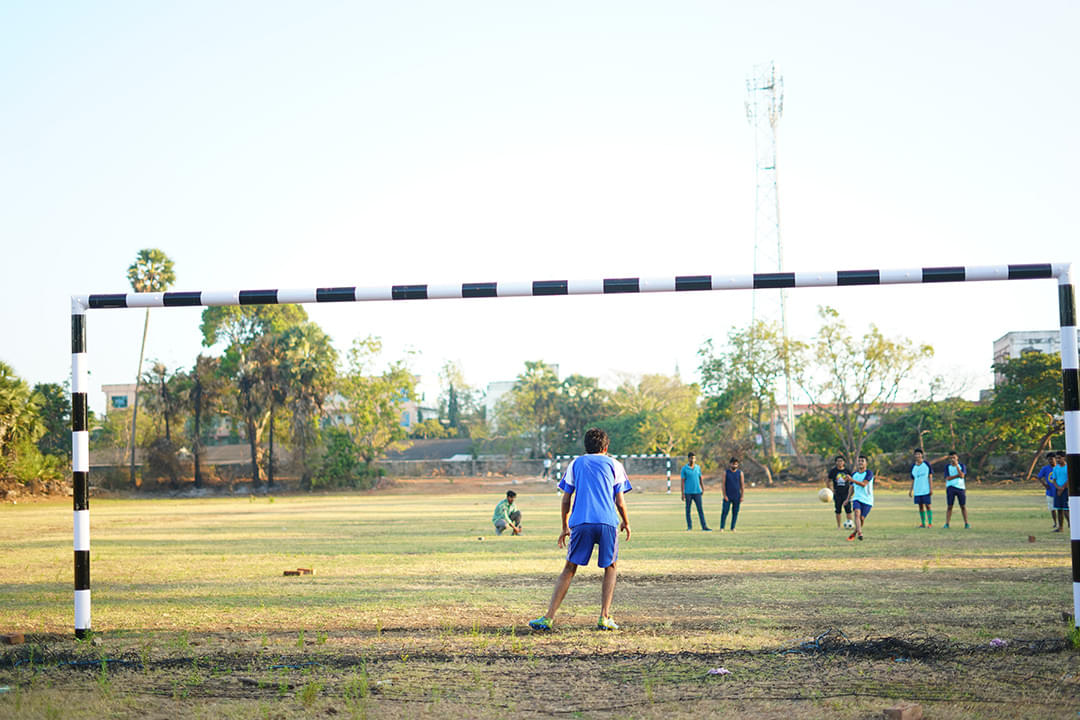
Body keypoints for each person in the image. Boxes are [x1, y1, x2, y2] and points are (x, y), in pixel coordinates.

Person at [529, 428, 632, 632]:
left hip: (581, 521)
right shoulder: (615, 464)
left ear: (585, 447)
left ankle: (548, 617)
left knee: (569, 568)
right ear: (606, 447)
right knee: (610, 566)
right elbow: (619, 501)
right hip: (607, 522)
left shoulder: (575, 464)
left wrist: (564, 527)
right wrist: (626, 522)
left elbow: (566, 499)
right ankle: (604, 617)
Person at [681, 451, 711, 531]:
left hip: (697, 492)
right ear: (688, 459)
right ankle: (689, 527)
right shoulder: (684, 469)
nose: (692, 460)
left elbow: (700, 478)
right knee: (688, 510)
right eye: (691, 458)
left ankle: (704, 526)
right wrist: (682, 493)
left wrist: (702, 488)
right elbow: (682, 481)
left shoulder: (698, 468)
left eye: (694, 458)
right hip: (688, 492)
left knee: (700, 510)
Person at [847, 455, 874, 541]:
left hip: (867, 500)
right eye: (859, 461)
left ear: (866, 463)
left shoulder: (869, 473)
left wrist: (852, 480)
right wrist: (847, 499)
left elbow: (863, 484)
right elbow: (851, 488)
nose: (860, 462)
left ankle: (854, 533)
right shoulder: (854, 474)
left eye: (862, 461)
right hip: (857, 498)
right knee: (857, 514)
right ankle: (860, 533)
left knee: (861, 518)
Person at [942, 451, 970, 529]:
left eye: (954, 457)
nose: (952, 459)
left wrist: (957, 466)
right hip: (950, 487)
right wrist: (957, 476)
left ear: (957, 457)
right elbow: (948, 478)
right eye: (951, 458)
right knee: (949, 506)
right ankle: (947, 523)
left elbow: (962, 476)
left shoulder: (962, 466)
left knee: (963, 506)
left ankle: (966, 523)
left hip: (960, 488)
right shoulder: (947, 467)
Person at [909, 448, 934, 528]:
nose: (917, 456)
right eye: (916, 454)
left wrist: (931, 488)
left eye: (919, 454)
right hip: (917, 490)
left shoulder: (926, 464)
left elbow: (930, 476)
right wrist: (910, 490)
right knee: (920, 506)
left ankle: (930, 523)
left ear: (922, 455)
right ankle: (923, 523)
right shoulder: (913, 466)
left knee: (928, 506)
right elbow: (913, 479)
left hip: (926, 489)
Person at [827, 455, 853, 529]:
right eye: (838, 461)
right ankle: (839, 526)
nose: (839, 462)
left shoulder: (847, 471)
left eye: (841, 461)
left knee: (848, 510)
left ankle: (850, 524)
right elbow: (828, 481)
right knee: (838, 510)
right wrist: (831, 490)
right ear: (836, 462)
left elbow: (851, 481)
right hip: (837, 494)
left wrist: (851, 491)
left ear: (844, 462)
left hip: (846, 493)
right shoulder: (833, 471)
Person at [720, 457, 745, 532]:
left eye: (736, 464)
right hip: (728, 496)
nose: (734, 465)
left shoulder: (740, 473)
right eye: (733, 464)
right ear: (730, 464)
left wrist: (742, 496)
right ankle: (722, 527)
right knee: (725, 512)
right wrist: (724, 495)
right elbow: (723, 485)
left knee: (735, 513)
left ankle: (733, 527)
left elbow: (742, 485)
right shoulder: (726, 473)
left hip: (737, 496)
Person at [1037, 453, 1058, 530]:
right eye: (1049, 459)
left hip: (1059, 491)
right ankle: (1055, 523)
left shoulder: (1059, 468)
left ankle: (1066, 523)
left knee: (1062, 509)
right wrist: (1044, 485)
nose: (1050, 461)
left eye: (1051, 459)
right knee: (1052, 509)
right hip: (1050, 492)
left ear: (1055, 459)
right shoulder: (1045, 469)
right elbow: (1039, 477)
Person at [1052, 451, 1070, 532]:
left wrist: (1062, 488)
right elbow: (1054, 480)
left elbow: (1069, 479)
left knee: (1066, 509)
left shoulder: (1068, 467)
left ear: (1064, 458)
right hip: (1058, 490)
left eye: (1059, 458)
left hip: (1066, 490)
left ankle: (1071, 525)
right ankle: (1060, 527)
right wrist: (1058, 488)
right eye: (1056, 458)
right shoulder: (1055, 468)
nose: (1057, 460)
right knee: (1059, 509)